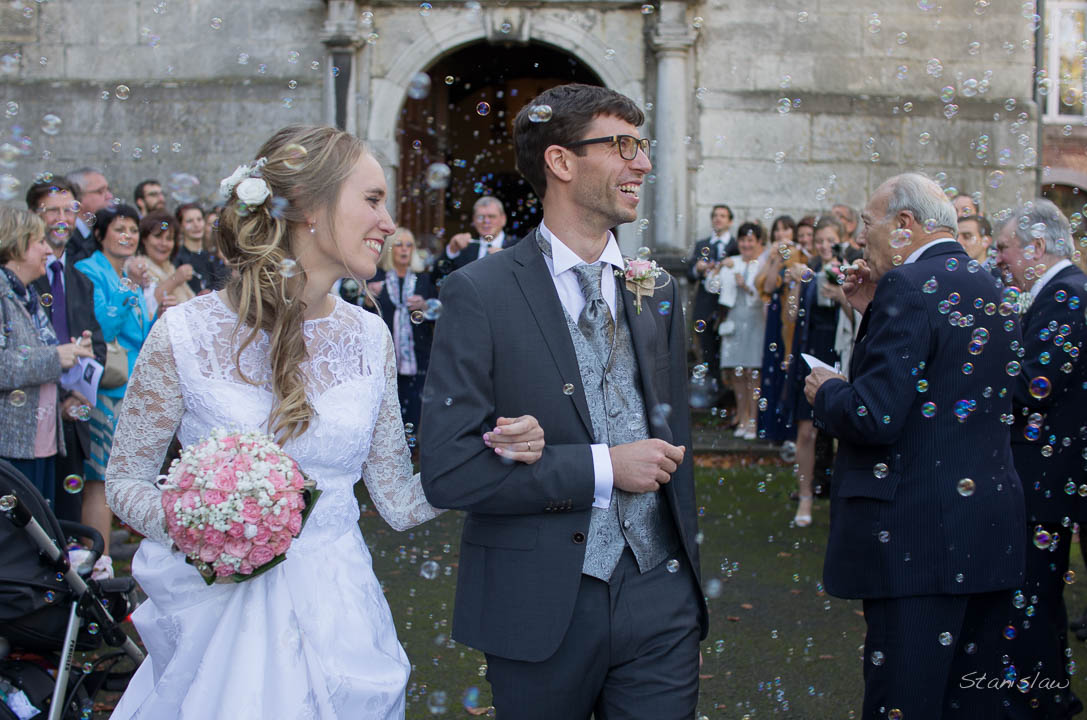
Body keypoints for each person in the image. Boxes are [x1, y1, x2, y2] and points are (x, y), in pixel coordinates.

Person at [104, 124, 546, 719]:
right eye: (371, 199)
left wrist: (492, 455)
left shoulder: (369, 336)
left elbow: (397, 501)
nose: (389, 222)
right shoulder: (184, 334)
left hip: (339, 610)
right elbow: (126, 481)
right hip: (217, 614)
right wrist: (207, 529)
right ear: (308, 210)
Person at [421, 83, 707, 719]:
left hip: (660, 595)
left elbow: (669, 430)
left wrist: (683, 585)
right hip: (540, 599)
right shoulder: (479, 293)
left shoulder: (655, 289)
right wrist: (604, 466)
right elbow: (447, 471)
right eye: (624, 145)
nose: (644, 163)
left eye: (644, 145)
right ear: (561, 161)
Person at [805, 173, 1025, 717]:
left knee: (904, 698)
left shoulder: (909, 285)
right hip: (985, 529)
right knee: (963, 700)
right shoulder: (989, 280)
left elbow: (873, 415)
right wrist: (870, 311)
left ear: (905, 225)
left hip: (918, 539)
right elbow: (947, 381)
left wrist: (827, 389)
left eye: (870, 223)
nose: (861, 237)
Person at [994, 199, 1086, 718]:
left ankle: (1039, 697)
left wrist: (981, 353)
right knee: (1037, 594)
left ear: (1037, 246)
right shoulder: (1055, 292)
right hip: (1043, 469)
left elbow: (1036, 385)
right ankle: (1048, 691)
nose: (999, 258)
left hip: (1045, 474)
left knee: (1034, 593)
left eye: (1005, 247)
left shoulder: (1066, 294)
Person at [75, 204, 154, 574]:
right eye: (119, 229)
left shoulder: (125, 273)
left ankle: (101, 555)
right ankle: (97, 558)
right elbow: (103, 330)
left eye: (133, 230)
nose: (127, 236)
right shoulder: (89, 270)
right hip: (106, 388)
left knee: (118, 474)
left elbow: (138, 331)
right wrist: (128, 289)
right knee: (100, 476)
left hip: (131, 385)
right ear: (100, 234)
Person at [0, 207, 95, 507]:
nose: (47, 249)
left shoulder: (25, 297)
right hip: (12, 446)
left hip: (42, 441)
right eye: (39, 241)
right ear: (16, 244)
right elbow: (4, 365)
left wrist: (74, 358)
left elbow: (40, 359)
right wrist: (57, 357)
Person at [26, 178, 106, 527]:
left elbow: (98, 344)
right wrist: (59, 396)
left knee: (67, 521)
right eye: (52, 210)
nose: (62, 218)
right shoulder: (22, 277)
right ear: (34, 216)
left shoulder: (80, 280)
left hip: (74, 419)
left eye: (69, 210)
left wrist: (79, 392)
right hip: (32, 413)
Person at [788, 216, 848, 526]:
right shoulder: (809, 268)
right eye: (819, 240)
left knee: (842, 431)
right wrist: (799, 283)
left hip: (840, 353)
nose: (824, 246)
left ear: (840, 240)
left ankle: (842, 499)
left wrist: (842, 295)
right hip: (810, 352)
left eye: (829, 240)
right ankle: (805, 496)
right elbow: (795, 314)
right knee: (805, 430)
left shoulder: (852, 269)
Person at [370, 227, 436, 431]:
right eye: (399, 244)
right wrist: (367, 299)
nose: (404, 249)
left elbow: (436, 311)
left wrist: (425, 306)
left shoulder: (422, 279)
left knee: (414, 400)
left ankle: (411, 448)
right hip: (384, 353)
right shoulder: (375, 278)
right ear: (389, 249)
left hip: (416, 353)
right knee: (387, 401)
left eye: (409, 245)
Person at [715, 221, 765, 440]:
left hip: (755, 321)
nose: (746, 244)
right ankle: (743, 418)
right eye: (743, 240)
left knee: (752, 373)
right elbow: (712, 286)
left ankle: (753, 421)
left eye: (750, 240)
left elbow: (764, 295)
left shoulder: (762, 264)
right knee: (736, 373)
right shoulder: (731, 262)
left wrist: (745, 285)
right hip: (734, 321)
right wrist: (718, 268)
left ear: (758, 242)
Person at [686, 204, 734, 372]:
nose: (718, 219)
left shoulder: (737, 246)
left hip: (727, 307)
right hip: (705, 306)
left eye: (722, 216)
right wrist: (697, 268)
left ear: (730, 221)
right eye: (715, 215)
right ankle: (711, 389)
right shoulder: (702, 244)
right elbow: (689, 275)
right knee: (706, 350)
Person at [434, 196, 517, 283]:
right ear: (473, 220)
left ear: (503, 219)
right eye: (480, 217)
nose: (486, 221)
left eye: (492, 216)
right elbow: (435, 278)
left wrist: (507, 261)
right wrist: (452, 250)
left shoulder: (517, 247)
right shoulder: (464, 248)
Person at [137, 210, 195, 315]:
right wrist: (175, 279)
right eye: (158, 236)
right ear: (144, 239)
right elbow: (148, 307)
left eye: (169, 238)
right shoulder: (138, 267)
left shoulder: (170, 268)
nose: (163, 243)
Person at [175, 202, 230, 294]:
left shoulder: (215, 256)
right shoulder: (178, 258)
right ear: (180, 226)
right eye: (189, 221)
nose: (196, 225)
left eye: (199, 219)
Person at [67, 167, 114, 260]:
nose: (109, 196)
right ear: (77, 197)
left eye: (108, 190)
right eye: (100, 191)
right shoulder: (67, 238)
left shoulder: (96, 232)